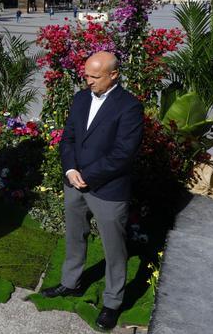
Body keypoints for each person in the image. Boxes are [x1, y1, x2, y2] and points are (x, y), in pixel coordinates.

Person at [40, 51, 144, 331]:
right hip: (74, 183)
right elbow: (69, 138)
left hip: (108, 190)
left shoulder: (130, 106)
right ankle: (70, 283)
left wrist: (89, 175)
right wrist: (71, 170)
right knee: (75, 236)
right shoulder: (80, 98)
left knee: (114, 249)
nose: (88, 81)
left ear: (114, 75)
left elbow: (123, 153)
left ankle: (112, 302)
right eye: (86, 75)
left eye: (94, 77)